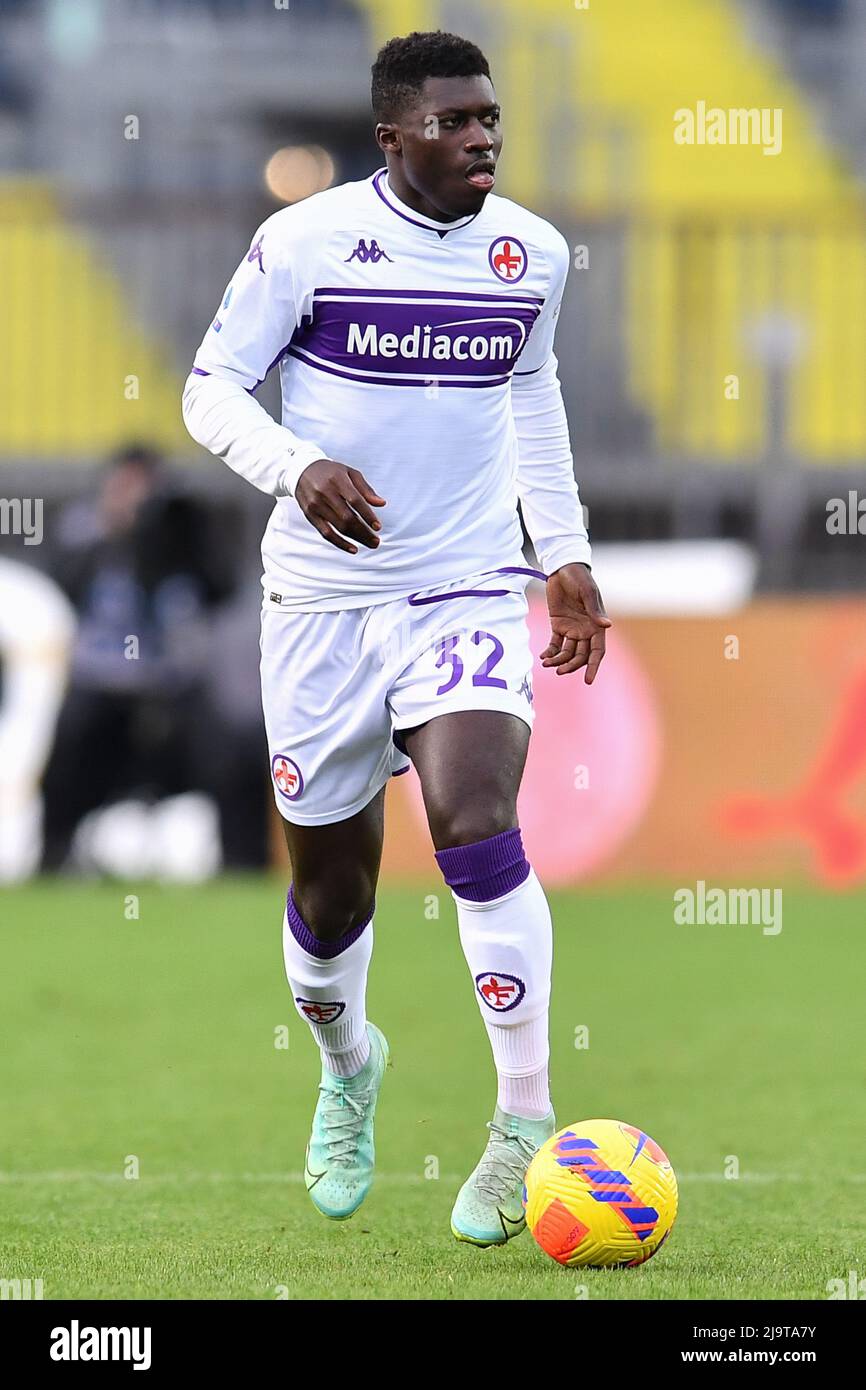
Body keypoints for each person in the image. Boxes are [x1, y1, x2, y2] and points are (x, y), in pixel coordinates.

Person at [182, 29, 610, 1247]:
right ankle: (348, 1062)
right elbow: (210, 386)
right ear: (392, 136)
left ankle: (521, 1119)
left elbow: (532, 393)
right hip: (319, 606)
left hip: (465, 586)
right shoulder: (304, 242)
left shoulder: (531, 254)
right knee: (328, 903)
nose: (482, 136)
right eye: (455, 120)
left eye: (490, 118)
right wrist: (295, 463)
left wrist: (563, 552)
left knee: (476, 824)